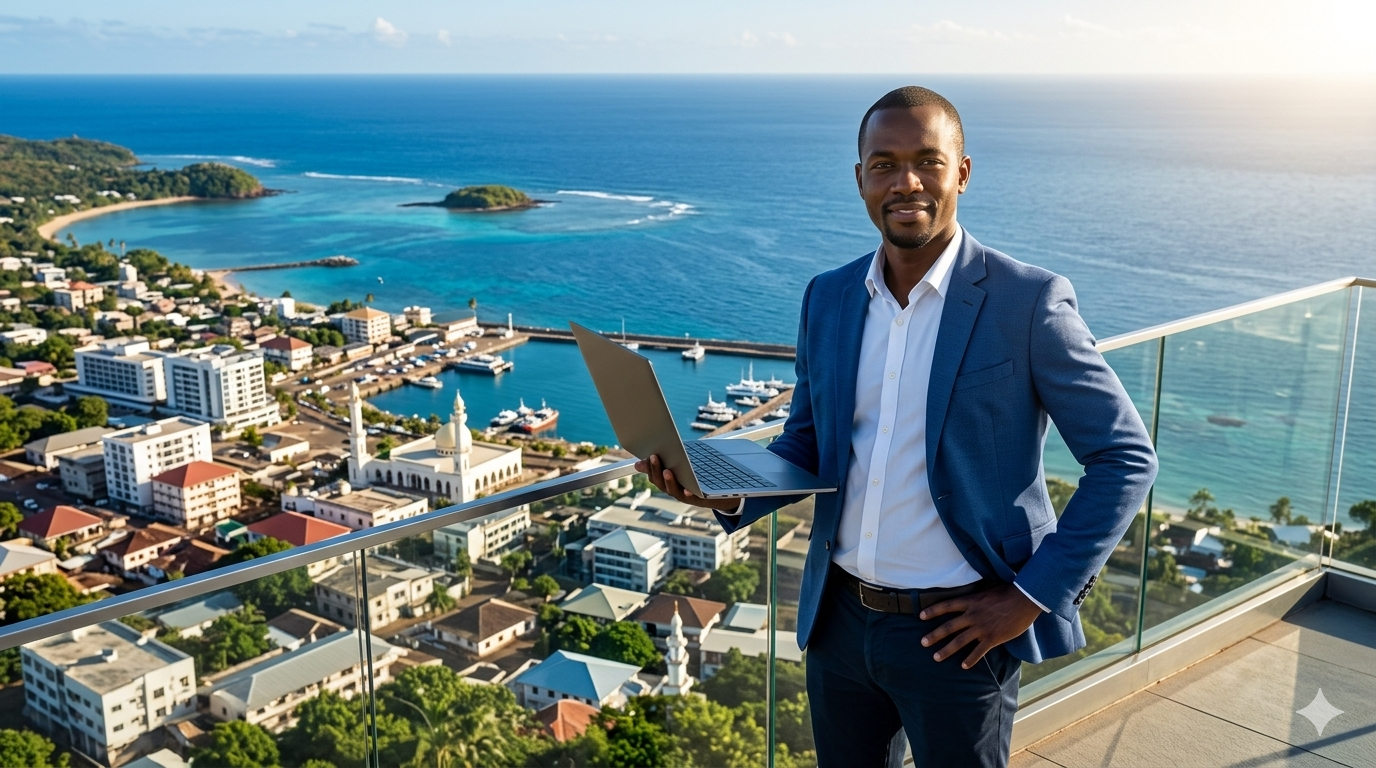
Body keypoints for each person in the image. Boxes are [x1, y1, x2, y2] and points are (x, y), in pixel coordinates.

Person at [636, 86, 1158, 767]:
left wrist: (1028, 598)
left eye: (927, 162)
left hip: (961, 632)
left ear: (962, 172)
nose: (905, 182)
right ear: (861, 179)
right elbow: (808, 442)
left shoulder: (1027, 301)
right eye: (884, 164)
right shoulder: (828, 296)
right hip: (838, 623)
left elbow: (1125, 457)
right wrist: (726, 490)